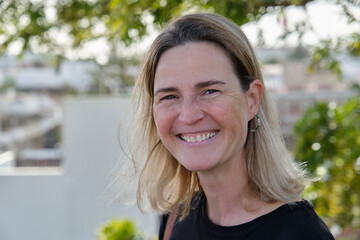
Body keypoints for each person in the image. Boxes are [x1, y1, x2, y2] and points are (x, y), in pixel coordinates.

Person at [124, 13, 334, 240]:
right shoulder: (176, 217)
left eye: (210, 91)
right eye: (169, 96)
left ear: (252, 99)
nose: (188, 116)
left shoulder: (300, 233)